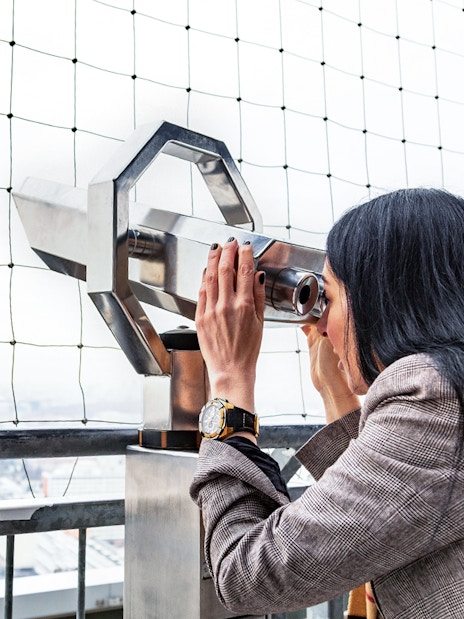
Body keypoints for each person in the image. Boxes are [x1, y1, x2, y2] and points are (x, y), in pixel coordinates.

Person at [189, 188, 464, 619]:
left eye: (330, 298)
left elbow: (246, 572)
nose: (322, 322)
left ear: (381, 301)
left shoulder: (434, 396)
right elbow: (390, 516)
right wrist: (336, 394)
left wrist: (229, 382)